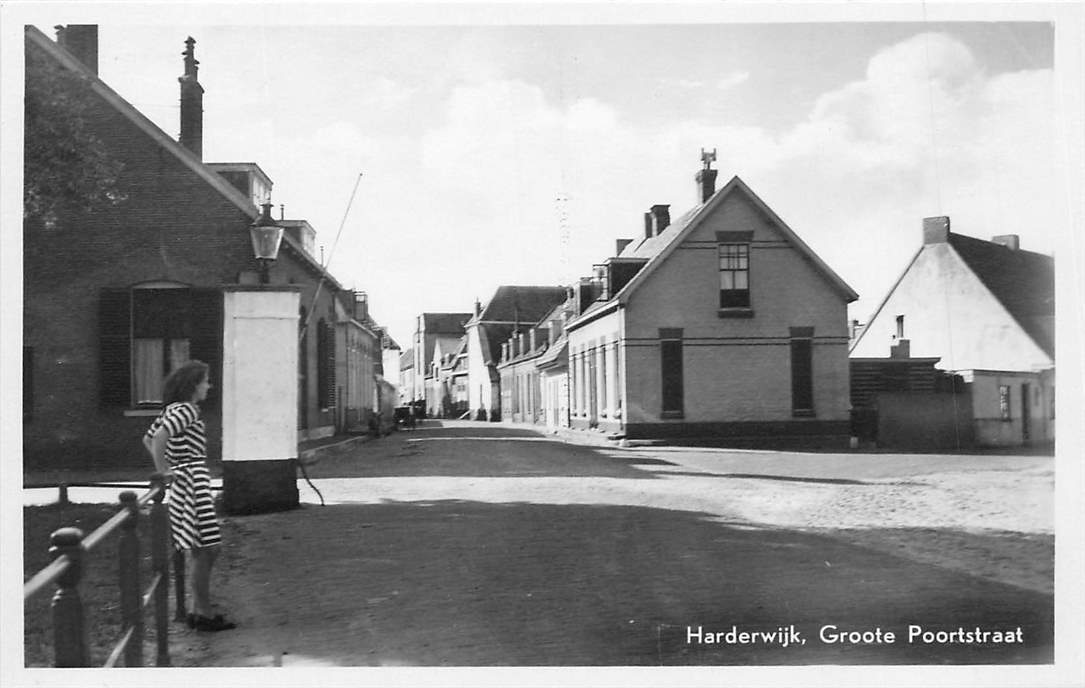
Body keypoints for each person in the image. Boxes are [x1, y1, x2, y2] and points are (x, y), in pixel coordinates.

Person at [143, 359, 236, 632]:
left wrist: (169, 467)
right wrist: (164, 471)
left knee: (203, 547)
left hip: (187, 478)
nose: (209, 385)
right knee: (206, 548)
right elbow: (159, 438)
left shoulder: (174, 409)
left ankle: (198, 610)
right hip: (192, 480)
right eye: (205, 381)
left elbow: (149, 439)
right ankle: (203, 614)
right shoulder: (187, 410)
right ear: (194, 385)